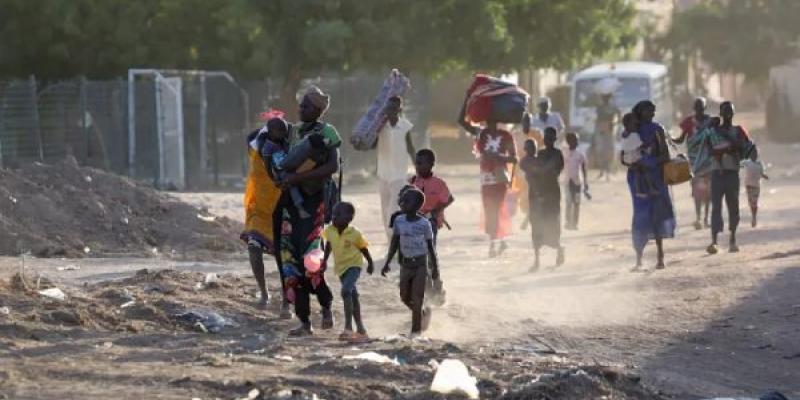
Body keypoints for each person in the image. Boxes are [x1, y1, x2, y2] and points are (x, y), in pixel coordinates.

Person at [277, 86, 342, 336]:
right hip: (291, 204)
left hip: (315, 202)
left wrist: (298, 178)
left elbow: (332, 167)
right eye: (301, 105)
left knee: (312, 260)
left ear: (317, 109)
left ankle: (326, 307)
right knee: (289, 260)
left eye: (305, 106)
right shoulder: (293, 131)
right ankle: (304, 322)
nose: (300, 109)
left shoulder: (327, 132)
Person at [240, 113, 291, 318]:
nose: (278, 134)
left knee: (283, 257)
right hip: (258, 207)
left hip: (281, 206)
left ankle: (287, 301)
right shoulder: (257, 145)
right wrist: (268, 125)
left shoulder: (290, 150)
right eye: (273, 130)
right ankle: (263, 293)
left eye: (282, 131)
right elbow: (251, 136)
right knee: (254, 248)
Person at [458, 104, 517, 258]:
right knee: (490, 209)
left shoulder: (506, 135)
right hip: (486, 177)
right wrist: (467, 99)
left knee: (496, 208)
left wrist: (500, 158)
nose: (490, 120)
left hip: (500, 176)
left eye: (493, 116)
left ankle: (494, 243)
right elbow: (462, 122)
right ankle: (499, 240)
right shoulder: (481, 134)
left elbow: (514, 158)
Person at [381, 188, 439, 336]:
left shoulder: (424, 224)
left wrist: (435, 268)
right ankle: (421, 312)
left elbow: (430, 247)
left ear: (417, 205)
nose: (401, 203)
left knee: (417, 297)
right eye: (402, 200)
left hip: (420, 264)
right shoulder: (399, 221)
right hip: (405, 265)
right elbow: (394, 242)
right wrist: (387, 262)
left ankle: (416, 331)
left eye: (406, 201)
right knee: (404, 296)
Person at [627, 100, 675, 270]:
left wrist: (648, 161)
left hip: (656, 176)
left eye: (654, 111)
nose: (652, 114)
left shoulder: (658, 130)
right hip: (637, 179)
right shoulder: (631, 129)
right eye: (649, 111)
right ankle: (639, 258)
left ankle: (660, 256)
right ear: (641, 112)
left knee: (657, 214)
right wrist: (635, 163)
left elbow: (666, 157)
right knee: (640, 215)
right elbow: (624, 157)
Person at [321, 202, 373, 343]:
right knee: (353, 296)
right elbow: (329, 245)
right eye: (333, 214)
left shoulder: (354, 233)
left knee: (345, 291)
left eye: (338, 215)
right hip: (341, 268)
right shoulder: (330, 230)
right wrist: (324, 261)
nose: (334, 217)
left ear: (349, 218)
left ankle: (348, 327)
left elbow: (363, 249)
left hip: (354, 265)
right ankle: (361, 329)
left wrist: (370, 263)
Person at [706, 101, 754, 254]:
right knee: (716, 208)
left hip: (732, 172)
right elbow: (708, 150)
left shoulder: (738, 130)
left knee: (733, 207)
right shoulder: (713, 131)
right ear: (720, 114)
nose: (728, 114)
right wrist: (726, 148)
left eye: (730, 111)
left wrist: (732, 148)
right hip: (717, 173)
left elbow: (746, 147)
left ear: (733, 114)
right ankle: (714, 241)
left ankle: (732, 239)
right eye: (725, 111)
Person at [408, 148, 454, 305]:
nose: (418, 165)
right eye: (416, 162)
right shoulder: (413, 181)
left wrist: (437, 210)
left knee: (430, 255)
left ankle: (437, 286)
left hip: (431, 223)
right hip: (415, 222)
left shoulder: (439, 183)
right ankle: (425, 287)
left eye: (421, 163)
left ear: (431, 164)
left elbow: (449, 198)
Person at [522, 128, 565, 271]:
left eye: (551, 138)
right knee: (537, 225)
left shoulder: (557, 154)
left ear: (554, 139)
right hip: (537, 193)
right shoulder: (539, 154)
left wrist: (539, 171)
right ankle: (537, 260)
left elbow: (553, 171)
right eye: (546, 137)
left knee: (552, 223)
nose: (548, 140)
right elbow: (532, 170)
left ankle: (559, 249)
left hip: (552, 193)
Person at [377, 96, 415, 241]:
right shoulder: (380, 127)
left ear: (399, 109)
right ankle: (389, 239)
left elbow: (411, 148)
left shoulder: (405, 126)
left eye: (394, 108)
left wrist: (418, 167)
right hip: (383, 173)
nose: (391, 111)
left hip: (399, 174)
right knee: (385, 209)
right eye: (389, 108)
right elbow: (371, 144)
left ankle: (394, 238)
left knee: (394, 208)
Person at [260, 116, 314, 219]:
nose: (284, 134)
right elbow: (267, 164)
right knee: (292, 185)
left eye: (284, 131)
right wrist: (273, 178)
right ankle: (300, 208)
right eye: (280, 131)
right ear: (271, 132)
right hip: (282, 171)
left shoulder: (282, 141)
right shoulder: (268, 146)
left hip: (290, 165)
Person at [673, 97, 713, 229]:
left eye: (700, 107)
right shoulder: (689, 122)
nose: (699, 110)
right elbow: (680, 139)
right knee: (698, 191)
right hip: (696, 162)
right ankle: (699, 218)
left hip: (706, 161)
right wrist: (668, 138)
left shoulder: (710, 121)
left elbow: (715, 138)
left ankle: (704, 218)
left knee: (707, 192)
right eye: (697, 108)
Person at [620, 113, 658, 198]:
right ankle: (649, 188)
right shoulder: (634, 135)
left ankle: (640, 190)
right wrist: (651, 146)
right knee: (645, 170)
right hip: (634, 157)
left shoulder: (624, 134)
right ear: (629, 125)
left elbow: (623, 148)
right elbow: (641, 146)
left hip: (627, 157)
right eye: (635, 124)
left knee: (638, 172)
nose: (636, 126)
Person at [563, 132, 588, 230]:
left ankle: (575, 223)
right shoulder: (564, 152)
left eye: (577, 140)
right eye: (574, 140)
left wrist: (585, 182)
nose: (576, 142)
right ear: (569, 141)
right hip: (567, 182)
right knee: (569, 202)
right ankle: (568, 222)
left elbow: (584, 168)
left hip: (577, 182)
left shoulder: (580, 154)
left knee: (576, 203)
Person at [593, 93, 620, 180]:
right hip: (601, 130)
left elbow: (619, 115)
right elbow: (597, 119)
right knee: (601, 151)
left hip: (609, 130)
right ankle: (602, 171)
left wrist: (614, 123)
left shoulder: (612, 107)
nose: (605, 100)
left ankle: (608, 171)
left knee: (609, 150)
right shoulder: (600, 108)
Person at [741, 147, 768, 228]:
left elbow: (761, 173)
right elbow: (739, 165)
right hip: (748, 186)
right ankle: (753, 216)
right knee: (751, 202)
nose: (754, 155)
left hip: (756, 185)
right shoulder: (746, 162)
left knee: (754, 202)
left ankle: (754, 217)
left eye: (755, 154)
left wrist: (765, 176)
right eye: (753, 154)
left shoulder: (760, 164)